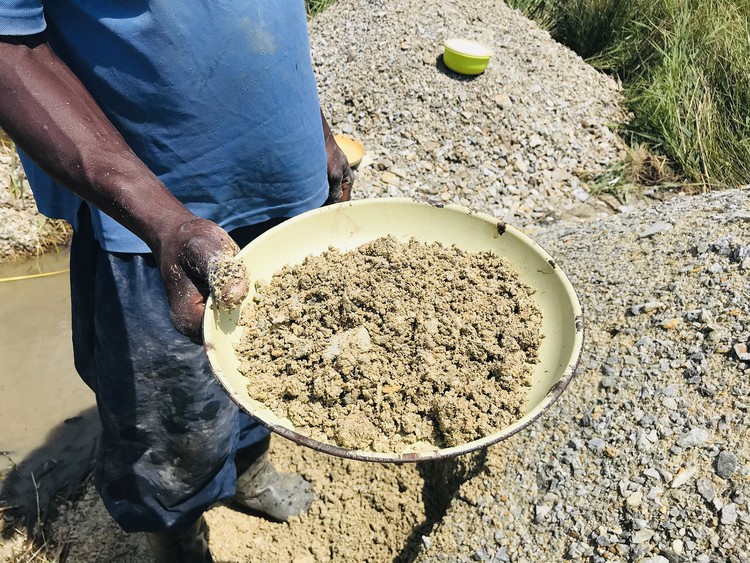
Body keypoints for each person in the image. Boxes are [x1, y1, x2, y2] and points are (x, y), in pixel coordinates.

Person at [0, 1, 353, 561]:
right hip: (149, 219)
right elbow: (8, 48)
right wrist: (164, 224)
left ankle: (248, 467)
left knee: (267, 365)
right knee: (169, 418)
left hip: (284, 182)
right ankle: (176, 536)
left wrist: (318, 132)